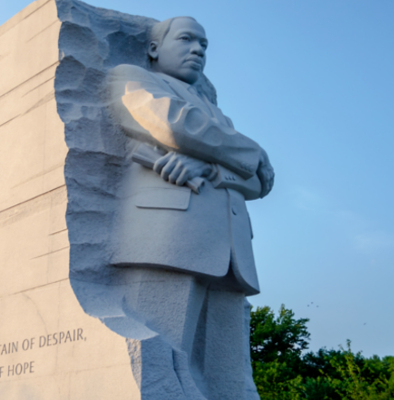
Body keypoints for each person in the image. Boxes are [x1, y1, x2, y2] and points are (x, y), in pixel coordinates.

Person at [106, 16, 274, 400]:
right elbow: (173, 125)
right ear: (153, 48)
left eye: (204, 45)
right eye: (186, 39)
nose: (198, 50)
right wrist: (254, 152)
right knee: (161, 366)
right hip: (169, 238)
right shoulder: (132, 77)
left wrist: (211, 165)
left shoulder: (219, 117)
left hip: (231, 252)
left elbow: (260, 182)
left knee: (232, 379)